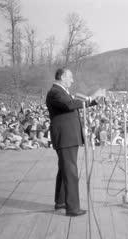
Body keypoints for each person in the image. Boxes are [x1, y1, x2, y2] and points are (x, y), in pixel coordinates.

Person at [45, 68, 104, 217]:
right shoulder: (55, 92)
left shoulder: (61, 92)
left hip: (67, 137)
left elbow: (75, 104)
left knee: (64, 169)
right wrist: (91, 97)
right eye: (70, 77)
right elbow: (70, 105)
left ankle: (61, 202)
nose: (72, 80)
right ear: (63, 76)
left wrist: (95, 100)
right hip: (65, 138)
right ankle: (72, 208)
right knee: (71, 172)